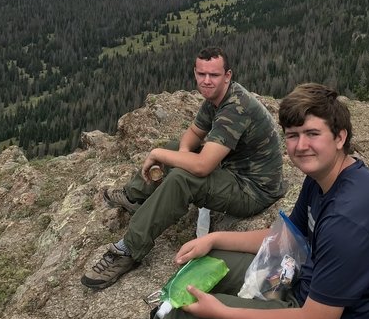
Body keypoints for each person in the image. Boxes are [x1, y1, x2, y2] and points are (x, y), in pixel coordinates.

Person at [136, 82, 369, 319]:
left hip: (326, 317)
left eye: (312, 133)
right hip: (307, 283)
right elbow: (286, 238)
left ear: (340, 137)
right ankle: (166, 316)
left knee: (194, 316)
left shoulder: (349, 220)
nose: (301, 145)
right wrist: (213, 238)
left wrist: (220, 312)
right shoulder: (322, 179)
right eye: (292, 135)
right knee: (209, 263)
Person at [81, 46, 286, 290]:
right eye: (202, 74)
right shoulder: (217, 98)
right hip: (235, 169)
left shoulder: (235, 107)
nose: (207, 81)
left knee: (182, 177)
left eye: (214, 75)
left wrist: (160, 155)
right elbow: (193, 134)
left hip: (253, 190)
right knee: (175, 148)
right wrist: (179, 156)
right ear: (195, 73)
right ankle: (135, 196)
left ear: (228, 75)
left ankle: (128, 249)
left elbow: (202, 167)